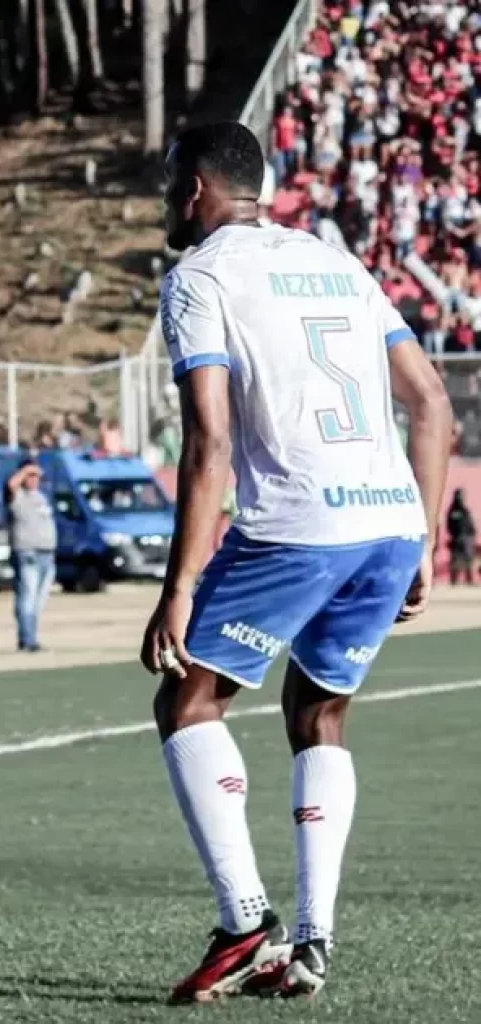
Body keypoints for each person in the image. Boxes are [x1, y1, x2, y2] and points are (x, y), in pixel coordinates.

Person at [140, 122, 451, 1003]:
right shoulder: (338, 261)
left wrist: (179, 587)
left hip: (299, 523)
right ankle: (312, 940)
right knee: (318, 712)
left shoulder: (198, 277)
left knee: (189, 697)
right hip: (387, 521)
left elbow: (210, 441)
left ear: (196, 188)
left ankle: (244, 925)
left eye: (171, 185)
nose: (168, 202)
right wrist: (422, 534)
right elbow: (431, 403)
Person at [4, 459, 56, 652]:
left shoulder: (40, 497)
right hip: (28, 553)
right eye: (30, 476)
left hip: (46, 554)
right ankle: (27, 640)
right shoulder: (17, 496)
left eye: (36, 476)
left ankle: (32, 636)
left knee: (39, 601)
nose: (34, 479)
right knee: (28, 596)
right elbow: (11, 485)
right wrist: (25, 470)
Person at [446, 487, 476, 584]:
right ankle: (453, 581)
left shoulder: (465, 511)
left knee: (469, 560)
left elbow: (471, 524)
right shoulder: (452, 511)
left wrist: (471, 536)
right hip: (456, 538)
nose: (460, 498)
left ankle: (470, 580)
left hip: (466, 539)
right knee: (455, 560)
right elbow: (449, 525)